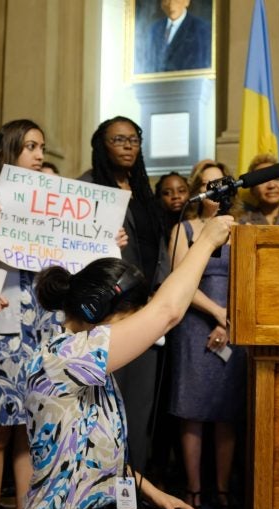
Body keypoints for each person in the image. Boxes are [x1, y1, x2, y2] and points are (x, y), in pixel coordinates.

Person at [24, 214, 235, 509]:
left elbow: (96, 452)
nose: (135, 328)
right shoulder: (65, 356)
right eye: (130, 319)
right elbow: (168, 313)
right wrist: (206, 241)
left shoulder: (86, 360)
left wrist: (154, 493)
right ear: (96, 310)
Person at [0, 119, 60, 509]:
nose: (40, 156)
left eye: (42, 148)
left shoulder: (47, 203)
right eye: (32, 147)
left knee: (30, 432)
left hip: (45, 327)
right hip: (4, 330)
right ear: (10, 149)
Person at [79, 116, 168, 473]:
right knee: (106, 407)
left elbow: (160, 249)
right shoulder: (85, 188)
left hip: (146, 310)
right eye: (119, 139)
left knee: (139, 406)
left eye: (134, 139)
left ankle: (135, 488)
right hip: (107, 312)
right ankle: (103, 489)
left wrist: (159, 297)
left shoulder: (144, 190)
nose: (129, 146)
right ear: (102, 145)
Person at [169, 160, 246, 509]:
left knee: (226, 411)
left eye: (222, 184)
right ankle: (194, 489)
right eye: (208, 185)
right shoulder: (183, 229)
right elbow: (180, 278)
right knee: (192, 411)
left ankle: (223, 488)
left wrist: (229, 321)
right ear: (199, 189)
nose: (216, 192)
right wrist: (216, 313)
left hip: (234, 327)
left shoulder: (242, 229)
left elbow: (247, 279)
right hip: (194, 325)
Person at [141, 0, 212, 73]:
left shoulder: (201, 28)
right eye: (166, 0)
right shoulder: (155, 29)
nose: (171, 5)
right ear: (161, 4)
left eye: (176, 0)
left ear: (187, 2)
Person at [238, 154, 279, 225]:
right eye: (263, 181)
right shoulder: (241, 223)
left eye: (276, 178)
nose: (271, 185)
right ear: (252, 189)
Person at [155, 171, 190, 242]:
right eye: (167, 193)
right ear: (159, 197)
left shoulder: (198, 224)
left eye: (181, 191)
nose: (176, 196)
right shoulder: (155, 230)